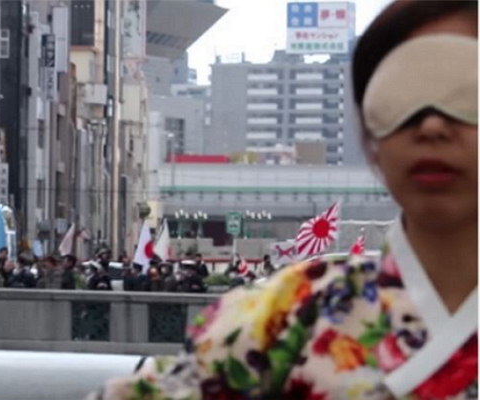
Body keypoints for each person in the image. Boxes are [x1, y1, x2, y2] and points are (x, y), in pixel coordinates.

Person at [88, 2, 478, 399]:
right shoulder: (285, 315)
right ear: (372, 139)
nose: (432, 125)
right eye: (402, 99)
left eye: (464, 92)